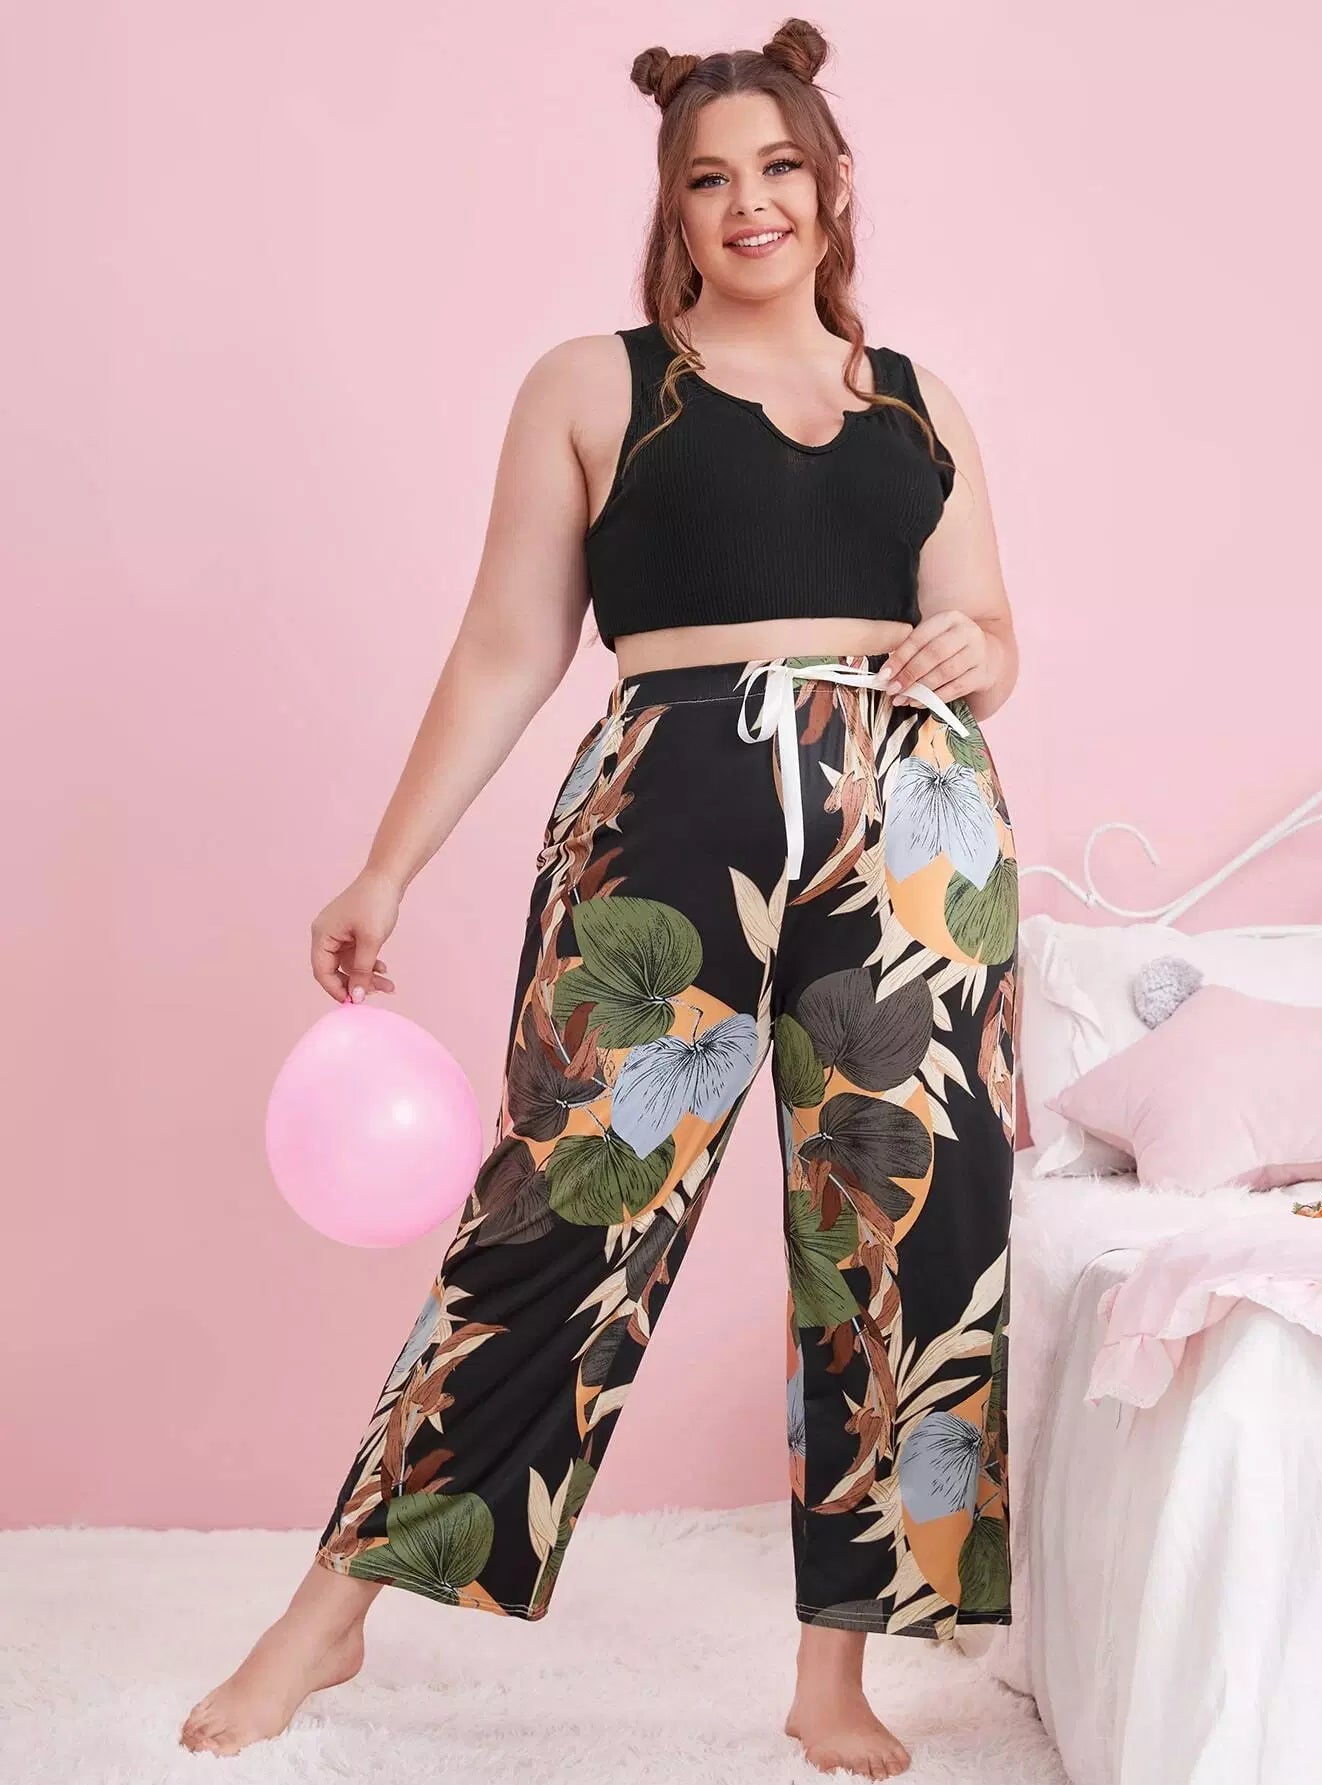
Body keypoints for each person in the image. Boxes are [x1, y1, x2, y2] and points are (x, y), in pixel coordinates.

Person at [180, 17, 1020, 1779]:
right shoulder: (595, 384)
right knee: (567, 1205)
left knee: (903, 1234)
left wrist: (975, 653)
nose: (750, 202)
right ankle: (330, 1612)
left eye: (779, 167)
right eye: (710, 178)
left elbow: (991, 631)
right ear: (674, 204)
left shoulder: (916, 399)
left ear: (831, 184)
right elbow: (509, 644)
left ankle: (835, 1673)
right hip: (672, 814)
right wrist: (387, 860)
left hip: (919, 830)